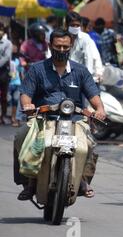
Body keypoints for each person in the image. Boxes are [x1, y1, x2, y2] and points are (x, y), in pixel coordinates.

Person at [14, 29, 106, 200]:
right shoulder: (37, 69)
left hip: (75, 120)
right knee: (20, 137)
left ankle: (83, 180)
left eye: (65, 46)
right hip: (43, 119)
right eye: (58, 46)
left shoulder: (80, 71)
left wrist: (99, 109)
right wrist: (27, 104)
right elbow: (26, 93)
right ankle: (27, 182)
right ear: (50, 46)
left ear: (70, 47)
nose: (62, 50)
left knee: (90, 145)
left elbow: (93, 95)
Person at [66, 11, 104, 84]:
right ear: (67, 25)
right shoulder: (62, 37)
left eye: (77, 25)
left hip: (82, 76)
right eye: (72, 25)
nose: (75, 27)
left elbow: (91, 57)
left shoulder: (85, 38)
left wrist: (97, 73)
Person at [8, 43, 24, 127]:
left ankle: (13, 117)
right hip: (7, 83)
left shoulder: (18, 60)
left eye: (15, 48)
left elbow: (21, 72)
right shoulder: (7, 59)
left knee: (15, 101)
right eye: (13, 48)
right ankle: (4, 116)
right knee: (6, 101)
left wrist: (23, 82)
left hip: (17, 83)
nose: (14, 49)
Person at [0, 23, 12, 124]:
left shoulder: (7, 43)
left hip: (3, 73)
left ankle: (2, 115)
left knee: (3, 96)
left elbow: (7, 57)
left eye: (1, 30)